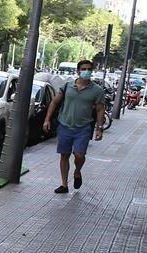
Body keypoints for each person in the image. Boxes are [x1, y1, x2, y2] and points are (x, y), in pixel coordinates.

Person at [43, 59, 105, 194]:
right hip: (64, 126)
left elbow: (100, 109)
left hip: (83, 128)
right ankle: (64, 185)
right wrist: (47, 119)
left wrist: (99, 128)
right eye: (84, 69)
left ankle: (77, 172)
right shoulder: (67, 86)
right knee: (64, 155)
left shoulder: (97, 90)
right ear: (78, 71)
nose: (87, 72)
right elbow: (54, 102)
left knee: (79, 155)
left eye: (89, 69)